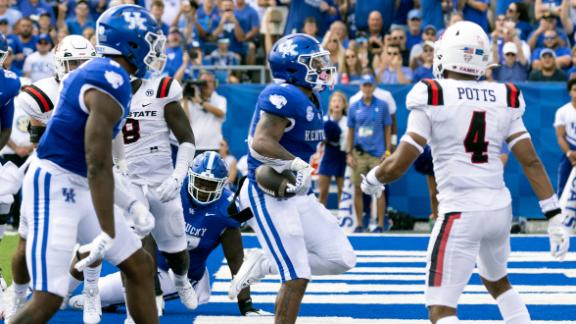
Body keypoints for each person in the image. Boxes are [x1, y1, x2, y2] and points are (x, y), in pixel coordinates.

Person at [361, 21, 574, 323]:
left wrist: (372, 179)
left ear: (445, 55)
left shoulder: (433, 92)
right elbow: (531, 161)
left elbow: (400, 162)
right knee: (498, 282)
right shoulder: (505, 95)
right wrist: (553, 216)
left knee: (441, 309)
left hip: (460, 211)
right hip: (499, 209)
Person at [8, 5, 166, 323]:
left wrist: (131, 203)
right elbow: (97, 161)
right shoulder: (108, 78)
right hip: (56, 183)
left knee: (139, 265)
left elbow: (98, 160)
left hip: (78, 179)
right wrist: (108, 227)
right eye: (149, 40)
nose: (154, 49)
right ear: (132, 44)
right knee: (49, 298)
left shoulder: (105, 74)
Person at [228, 33, 356, 324]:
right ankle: (280, 263)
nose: (323, 67)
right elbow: (261, 142)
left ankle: (266, 261)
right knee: (297, 275)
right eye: (314, 63)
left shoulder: (309, 95)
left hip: (298, 191)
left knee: (342, 258)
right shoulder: (285, 94)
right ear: (293, 69)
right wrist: (297, 164)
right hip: (269, 190)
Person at [67, 152, 272, 316]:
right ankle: (61, 290)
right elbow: (146, 238)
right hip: (149, 262)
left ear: (223, 185)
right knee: (92, 244)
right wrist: (152, 289)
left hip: (180, 275)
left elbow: (236, 260)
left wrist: (246, 304)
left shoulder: (225, 211)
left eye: (210, 185)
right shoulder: (170, 190)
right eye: (200, 182)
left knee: (85, 300)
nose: (203, 190)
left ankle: (115, 299)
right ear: (190, 177)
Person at [4, 35, 106, 323]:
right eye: (72, 63)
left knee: (93, 239)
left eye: (84, 63)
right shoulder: (39, 94)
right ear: (60, 65)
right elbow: (33, 132)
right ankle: (19, 295)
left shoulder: (102, 91)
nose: (78, 70)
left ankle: (91, 292)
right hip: (46, 173)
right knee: (25, 246)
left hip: (86, 172)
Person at [117, 54, 198, 316]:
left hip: (162, 180)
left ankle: (181, 280)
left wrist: (178, 177)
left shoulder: (161, 89)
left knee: (176, 249)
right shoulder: (101, 93)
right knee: (136, 246)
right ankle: (146, 302)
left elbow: (186, 138)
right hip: (127, 181)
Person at [347, 74, 391, 233]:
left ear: (373, 87)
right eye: (364, 85)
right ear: (360, 87)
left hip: (377, 154)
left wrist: (387, 151)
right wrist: (349, 153)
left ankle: (380, 224)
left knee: (378, 189)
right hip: (359, 153)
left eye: (369, 85)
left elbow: (387, 128)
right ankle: (359, 224)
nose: (367, 88)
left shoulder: (383, 105)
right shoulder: (354, 106)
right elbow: (350, 131)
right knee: (358, 189)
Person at [182, 71, 227, 154]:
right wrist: (185, 99)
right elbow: (185, 122)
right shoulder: (191, 100)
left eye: (209, 81)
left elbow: (220, 113)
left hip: (213, 146)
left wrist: (200, 102)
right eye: (203, 82)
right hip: (194, 147)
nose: (206, 84)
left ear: (214, 84)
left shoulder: (220, 99)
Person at [318, 91, 348, 207]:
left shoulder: (348, 121)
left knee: (342, 192)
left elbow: (349, 140)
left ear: (344, 105)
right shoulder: (324, 120)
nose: (337, 103)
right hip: (328, 156)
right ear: (330, 104)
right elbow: (319, 140)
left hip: (342, 158)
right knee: (323, 192)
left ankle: (342, 221)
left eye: (339, 101)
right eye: (334, 101)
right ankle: (320, 221)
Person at [554, 78, 576, 196]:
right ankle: (562, 214)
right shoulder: (562, 111)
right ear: (569, 92)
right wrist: (569, 154)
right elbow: (560, 136)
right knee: (563, 190)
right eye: (574, 90)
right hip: (570, 152)